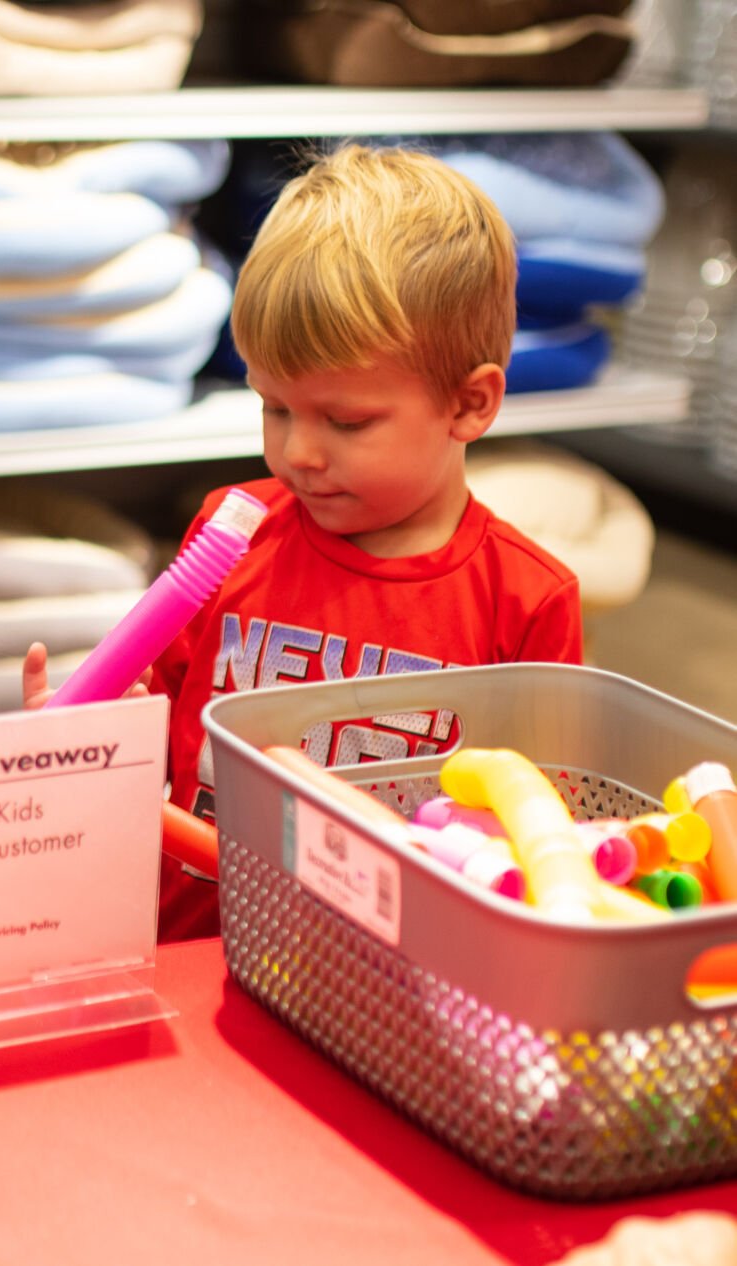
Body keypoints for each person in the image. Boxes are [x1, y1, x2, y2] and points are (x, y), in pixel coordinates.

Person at [151, 144, 584, 940]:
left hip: (396, 976)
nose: (297, 454)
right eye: (274, 408)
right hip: (191, 943)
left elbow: (538, 836)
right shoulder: (231, 529)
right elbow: (145, 716)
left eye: (346, 422)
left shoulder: (525, 599)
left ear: (469, 403)